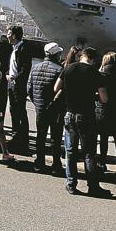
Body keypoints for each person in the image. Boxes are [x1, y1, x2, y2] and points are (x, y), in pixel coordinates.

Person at [54, 47, 111, 197]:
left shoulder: (68, 68)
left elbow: (56, 88)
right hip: (86, 115)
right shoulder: (95, 73)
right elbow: (104, 98)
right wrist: (94, 96)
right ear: (92, 59)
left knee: (70, 151)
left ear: (82, 56)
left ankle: (71, 184)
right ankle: (93, 186)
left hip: (69, 113)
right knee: (89, 153)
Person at [28, 42, 65, 174]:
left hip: (40, 107)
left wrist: (37, 103)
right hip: (55, 109)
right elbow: (62, 91)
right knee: (55, 138)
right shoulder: (59, 70)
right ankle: (56, 164)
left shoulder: (35, 68)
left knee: (40, 136)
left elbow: (29, 89)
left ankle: (39, 162)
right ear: (56, 54)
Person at [6, 25, 32, 153]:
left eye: (9, 33)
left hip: (17, 85)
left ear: (14, 36)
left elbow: (25, 69)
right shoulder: (15, 48)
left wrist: (15, 80)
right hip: (12, 83)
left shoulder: (23, 49)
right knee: (14, 110)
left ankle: (22, 140)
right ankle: (16, 137)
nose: (7, 35)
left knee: (20, 112)